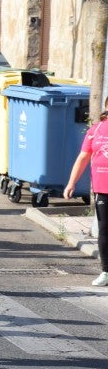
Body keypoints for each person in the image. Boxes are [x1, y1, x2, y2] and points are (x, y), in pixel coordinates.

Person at [65, 98, 108, 286]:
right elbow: (83, 157)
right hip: (102, 188)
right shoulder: (96, 130)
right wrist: (71, 183)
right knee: (105, 231)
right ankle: (106, 272)